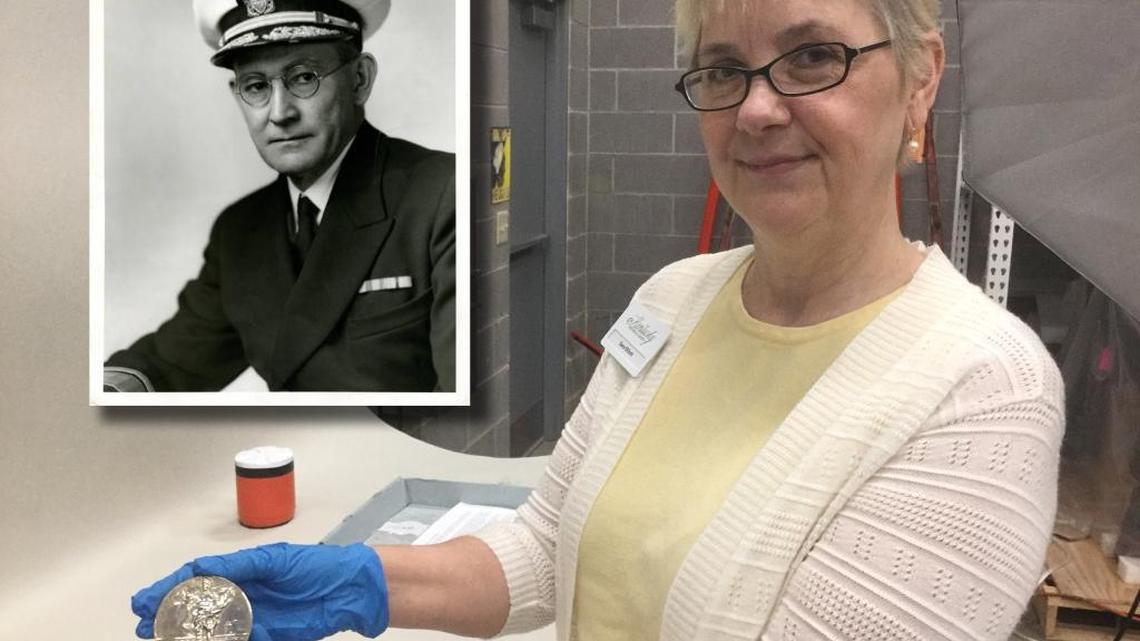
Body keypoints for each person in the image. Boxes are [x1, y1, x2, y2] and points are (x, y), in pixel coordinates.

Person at [131, 0, 1065, 639]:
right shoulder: (674, 298)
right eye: (722, 70)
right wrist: (370, 582)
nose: (760, 109)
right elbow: (548, 544)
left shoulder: (981, 387)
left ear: (920, 77)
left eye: (813, 54)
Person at [103, 0, 456, 393]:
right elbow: (172, 361)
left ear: (360, 79)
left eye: (304, 78)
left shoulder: (444, 195)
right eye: (256, 86)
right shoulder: (240, 231)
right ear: (237, 95)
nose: (279, 113)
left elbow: (469, 412)